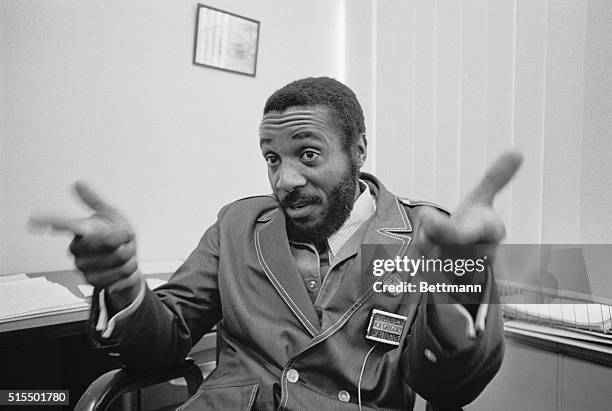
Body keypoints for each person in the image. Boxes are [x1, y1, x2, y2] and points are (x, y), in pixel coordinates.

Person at [32, 77, 522, 410]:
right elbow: (163, 342)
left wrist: (462, 284)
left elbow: (446, 388)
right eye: (271, 158)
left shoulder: (426, 237)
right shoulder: (237, 225)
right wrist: (122, 284)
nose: (285, 179)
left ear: (358, 150)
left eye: (308, 154)